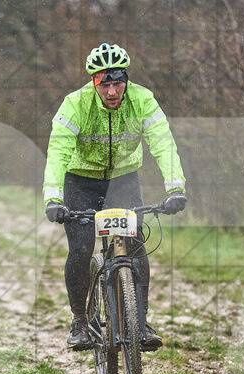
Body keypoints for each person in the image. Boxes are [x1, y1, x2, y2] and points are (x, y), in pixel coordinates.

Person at [44, 42, 187, 351]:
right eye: (104, 84)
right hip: (80, 180)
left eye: (118, 83)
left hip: (122, 179)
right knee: (81, 248)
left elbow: (163, 143)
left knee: (134, 245)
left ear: (126, 79)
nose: (112, 91)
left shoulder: (142, 100)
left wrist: (175, 188)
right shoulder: (75, 104)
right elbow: (57, 152)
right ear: (94, 82)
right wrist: (53, 198)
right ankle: (80, 321)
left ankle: (140, 322)